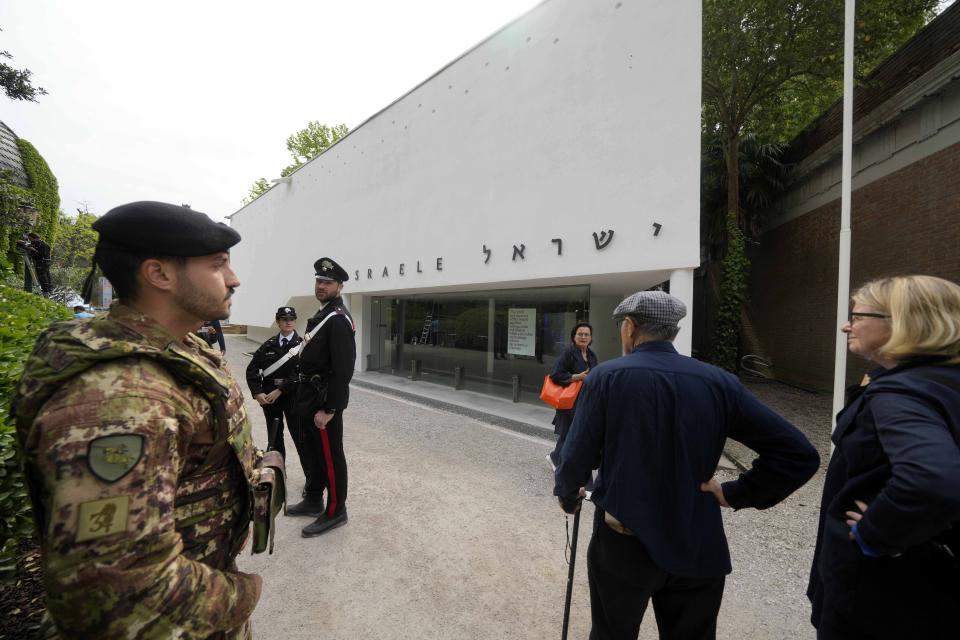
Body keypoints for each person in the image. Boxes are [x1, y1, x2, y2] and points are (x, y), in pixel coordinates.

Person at [12, 201, 268, 639]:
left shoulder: (178, 350)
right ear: (160, 274)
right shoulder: (119, 401)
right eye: (217, 264)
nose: (233, 278)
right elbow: (120, 590)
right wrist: (241, 595)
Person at [554, 290, 820, 640]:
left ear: (630, 328)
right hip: (697, 539)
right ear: (673, 331)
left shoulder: (607, 377)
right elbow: (799, 454)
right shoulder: (719, 381)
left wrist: (568, 493)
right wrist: (736, 493)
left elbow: (576, 455)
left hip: (624, 542)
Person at [808, 275, 960, 639]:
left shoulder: (902, 393)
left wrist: (876, 533)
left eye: (858, 316)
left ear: (903, 323)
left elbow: (933, 480)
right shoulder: (940, 382)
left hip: (882, 595)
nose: (847, 325)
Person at [287, 257, 357, 538]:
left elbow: (343, 369)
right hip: (309, 396)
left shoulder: (338, 319)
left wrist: (331, 408)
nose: (321, 286)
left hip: (324, 401)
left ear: (339, 286)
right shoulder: (323, 313)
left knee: (330, 456)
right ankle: (314, 497)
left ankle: (336, 510)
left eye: (327, 282)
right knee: (313, 453)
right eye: (318, 281)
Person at [245, 306, 302, 460]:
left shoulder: (302, 346)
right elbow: (252, 370)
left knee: (300, 436)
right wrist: (257, 392)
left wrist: (281, 390)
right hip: (269, 397)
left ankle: (312, 479)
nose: (288, 322)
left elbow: (301, 373)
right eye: (284, 319)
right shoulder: (268, 345)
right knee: (275, 436)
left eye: (291, 319)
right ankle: (278, 472)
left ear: (295, 321)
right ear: (278, 322)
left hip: (293, 396)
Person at [547, 322, 598, 469]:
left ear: (590, 337)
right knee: (569, 432)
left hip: (585, 400)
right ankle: (560, 462)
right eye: (580, 334)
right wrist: (576, 377)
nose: (583, 337)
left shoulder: (592, 355)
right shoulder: (569, 353)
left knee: (572, 433)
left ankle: (555, 457)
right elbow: (555, 375)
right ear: (574, 336)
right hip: (570, 401)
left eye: (586, 334)